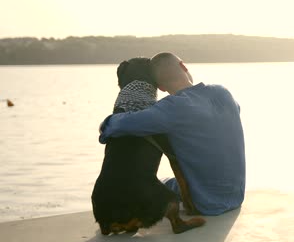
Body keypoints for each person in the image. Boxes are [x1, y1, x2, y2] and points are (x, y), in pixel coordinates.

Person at [99, 53, 245, 215]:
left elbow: (123, 124)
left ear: (160, 87)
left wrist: (105, 124)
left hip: (206, 203)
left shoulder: (171, 108)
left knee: (157, 184)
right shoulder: (223, 92)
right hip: (237, 196)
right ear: (183, 66)